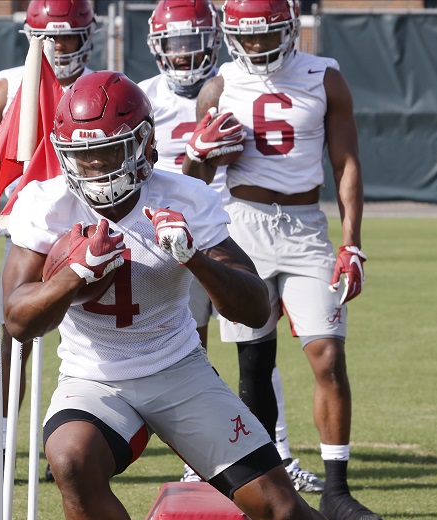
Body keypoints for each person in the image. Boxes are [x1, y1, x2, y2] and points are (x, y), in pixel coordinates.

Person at [1, 70, 364, 520]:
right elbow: (15, 318)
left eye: (109, 152)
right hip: (94, 378)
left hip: (179, 372)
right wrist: (73, 275)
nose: (95, 167)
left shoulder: (185, 197)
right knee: (71, 460)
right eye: (84, 155)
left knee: (283, 511)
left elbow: (253, 303)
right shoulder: (46, 204)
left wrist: (192, 256)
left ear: (144, 144)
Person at [182, 0, 380, 520]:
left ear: (290, 28)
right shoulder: (220, 84)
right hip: (241, 225)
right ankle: (266, 488)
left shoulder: (324, 77)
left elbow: (346, 162)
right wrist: (198, 153)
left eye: (264, 34)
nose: (254, 46)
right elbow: (191, 180)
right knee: (254, 365)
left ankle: (336, 490)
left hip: (304, 228)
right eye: (244, 36)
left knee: (327, 355)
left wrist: (352, 241)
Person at [140, 0, 324, 492]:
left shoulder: (227, 86)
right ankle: (193, 456)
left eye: (192, 43)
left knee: (255, 348)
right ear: (157, 47)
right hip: (168, 235)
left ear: (213, 39)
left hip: (229, 233)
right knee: (187, 347)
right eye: (173, 45)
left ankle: (279, 451)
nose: (182, 55)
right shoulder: (142, 96)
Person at [0, 0, 97, 482]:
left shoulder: (102, 86)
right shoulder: (8, 84)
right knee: (9, 335)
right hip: (29, 229)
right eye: (51, 37)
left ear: (86, 35)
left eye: (69, 36)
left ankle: (66, 439)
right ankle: (2, 442)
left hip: (91, 228)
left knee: (87, 340)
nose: (60, 46)